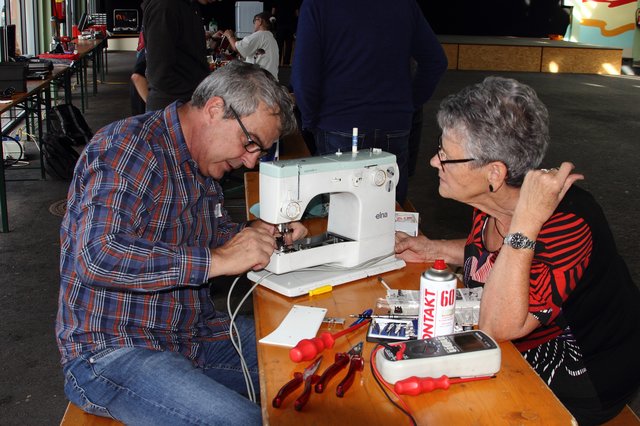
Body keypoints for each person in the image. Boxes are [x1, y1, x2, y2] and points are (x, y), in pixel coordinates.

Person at [55, 61, 306, 425]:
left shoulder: (200, 161)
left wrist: (258, 233)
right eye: (250, 143)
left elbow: (208, 238)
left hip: (192, 334)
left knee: (313, 364)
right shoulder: (127, 148)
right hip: (111, 351)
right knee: (242, 422)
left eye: (260, 151)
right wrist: (217, 260)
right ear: (215, 109)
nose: (251, 161)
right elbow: (98, 256)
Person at [394, 76, 640, 425]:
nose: (435, 162)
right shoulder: (494, 201)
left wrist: (525, 223)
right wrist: (432, 247)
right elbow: (495, 259)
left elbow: (497, 327)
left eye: (446, 157)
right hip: (518, 354)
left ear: (494, 172)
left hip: (582, 377)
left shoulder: (567, 223)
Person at [291, 0, 447, 204]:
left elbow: (304, 76)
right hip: (394, 126)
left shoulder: (317, 6)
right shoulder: (404, 5)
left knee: (341, 213)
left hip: (338, 126)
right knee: (390, 210)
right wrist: (407, 105)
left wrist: (311, 120)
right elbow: (436, 61)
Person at [141, 0, 213, 111]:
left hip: (188, 102)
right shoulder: (164, 6)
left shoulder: (190, 6)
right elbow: (159, 74)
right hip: (172, 107)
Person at [223, 12, 279, 80]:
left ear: (260, 21)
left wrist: (229, 35)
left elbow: (237, 48)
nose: (253, 24)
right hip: (271, 80)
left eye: (254, 21)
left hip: (261, 80)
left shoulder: (259, 35)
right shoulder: (271, 38)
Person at [270, 0, 300, 66]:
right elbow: (297, 12)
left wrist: (272, 16)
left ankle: (281, 63)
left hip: (285, 24)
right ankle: (283, 63)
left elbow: (273, 10)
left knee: (284, 45)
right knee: (285, 45)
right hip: (285, 24)